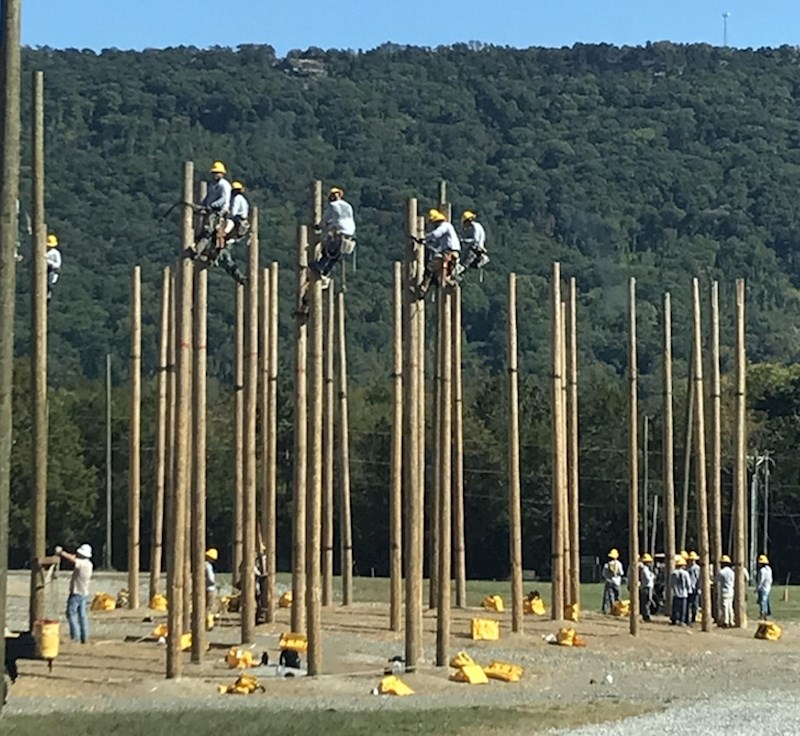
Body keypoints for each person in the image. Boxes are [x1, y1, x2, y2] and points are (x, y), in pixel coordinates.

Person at [310, 186, 356, 288]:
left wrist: (319, 226)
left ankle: (320, 266)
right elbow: (341, 218)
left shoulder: (332, 205)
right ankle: (326, 272)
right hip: (350, 233)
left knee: (328, 251)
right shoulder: (348, 206)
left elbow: (325, 219)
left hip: (339, 232)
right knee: (336, 255)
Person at [54, 543, 93, 644]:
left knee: (71, 614)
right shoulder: (89, 564)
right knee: (82, 615)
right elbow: (73, 557)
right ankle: (85, 636)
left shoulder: (81, 564)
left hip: (76, 592)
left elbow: (72, 559)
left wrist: (61, 552)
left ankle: (76, 636)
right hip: (84, 593)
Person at [417, 209, 461, 296]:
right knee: (440, 274)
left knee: (430, 268)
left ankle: (423, 289)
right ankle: (431, 287)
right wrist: (426, 242)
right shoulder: (446, 229)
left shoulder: (445, 226)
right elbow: (437, 243)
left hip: (448, 252)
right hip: (450, 252)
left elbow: (436, 234)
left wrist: (424, 237)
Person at [601, 548, 624, 614]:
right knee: (618, 596)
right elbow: (621, 573)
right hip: (617, 582)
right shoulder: (619, 564)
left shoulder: (606, 565)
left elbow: (603, 574)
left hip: (609, 581)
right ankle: (617, 610)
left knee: (609, 597)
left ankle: (607, 610)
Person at [670, 555, 691, 626]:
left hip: (676, 593)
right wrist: (689, 590)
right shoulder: (685, 573)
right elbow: (688, 583)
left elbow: (671, 583)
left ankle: (674, 620)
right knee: (683, 608)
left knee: (675, 607)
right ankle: (682, 621)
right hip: (684, 593)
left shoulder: (673, 573)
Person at [716, 554, 735, 628]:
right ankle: (731, 621)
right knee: (730, 607)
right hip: (731, 591)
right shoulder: (732, 572)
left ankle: (726, 621)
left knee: (725, 607)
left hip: (724, 591)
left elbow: (716, 580)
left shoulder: (722, 572)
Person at [756, 554, 773, 620]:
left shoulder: (762, 570)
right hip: (768, 587)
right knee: (767, 601)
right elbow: (770, 579)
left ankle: (763, 613)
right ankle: (768, 612)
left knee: (763, 601)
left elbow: (761, 580)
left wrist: (757, 588)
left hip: (763, 588)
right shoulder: (769, 569)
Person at [639, 553, 655, 622]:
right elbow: (648, 579)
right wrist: (652, 576)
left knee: (647, 602)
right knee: (646, 602)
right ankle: (646, 616)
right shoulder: (645, 569)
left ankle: (646, 615)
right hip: (646, 587)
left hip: (646, 587)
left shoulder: (646, 569)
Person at [46, 233, 62, 301]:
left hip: (52, 271)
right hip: (44, 270)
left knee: (49, 284)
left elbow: (57, 264)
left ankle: (48, 295)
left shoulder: (56, 253)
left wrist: (49, 262)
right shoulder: (44, 251)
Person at [686, 551, 701, 624]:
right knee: (688, 604)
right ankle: (687, 618)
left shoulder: (697, 568)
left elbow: (698, 579)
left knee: (695, 604)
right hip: (688, 589)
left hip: (695, 588)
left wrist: (699, 588)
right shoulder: (687, 568)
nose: (692, 561)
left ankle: (693, 617)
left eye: (693, 560)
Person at [205, 548, 218, 612]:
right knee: (210, 605)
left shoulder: (204, 565)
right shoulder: (208, 566)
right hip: (211, 588)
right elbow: (211, 578)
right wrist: (215, 583)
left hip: (206, 587)